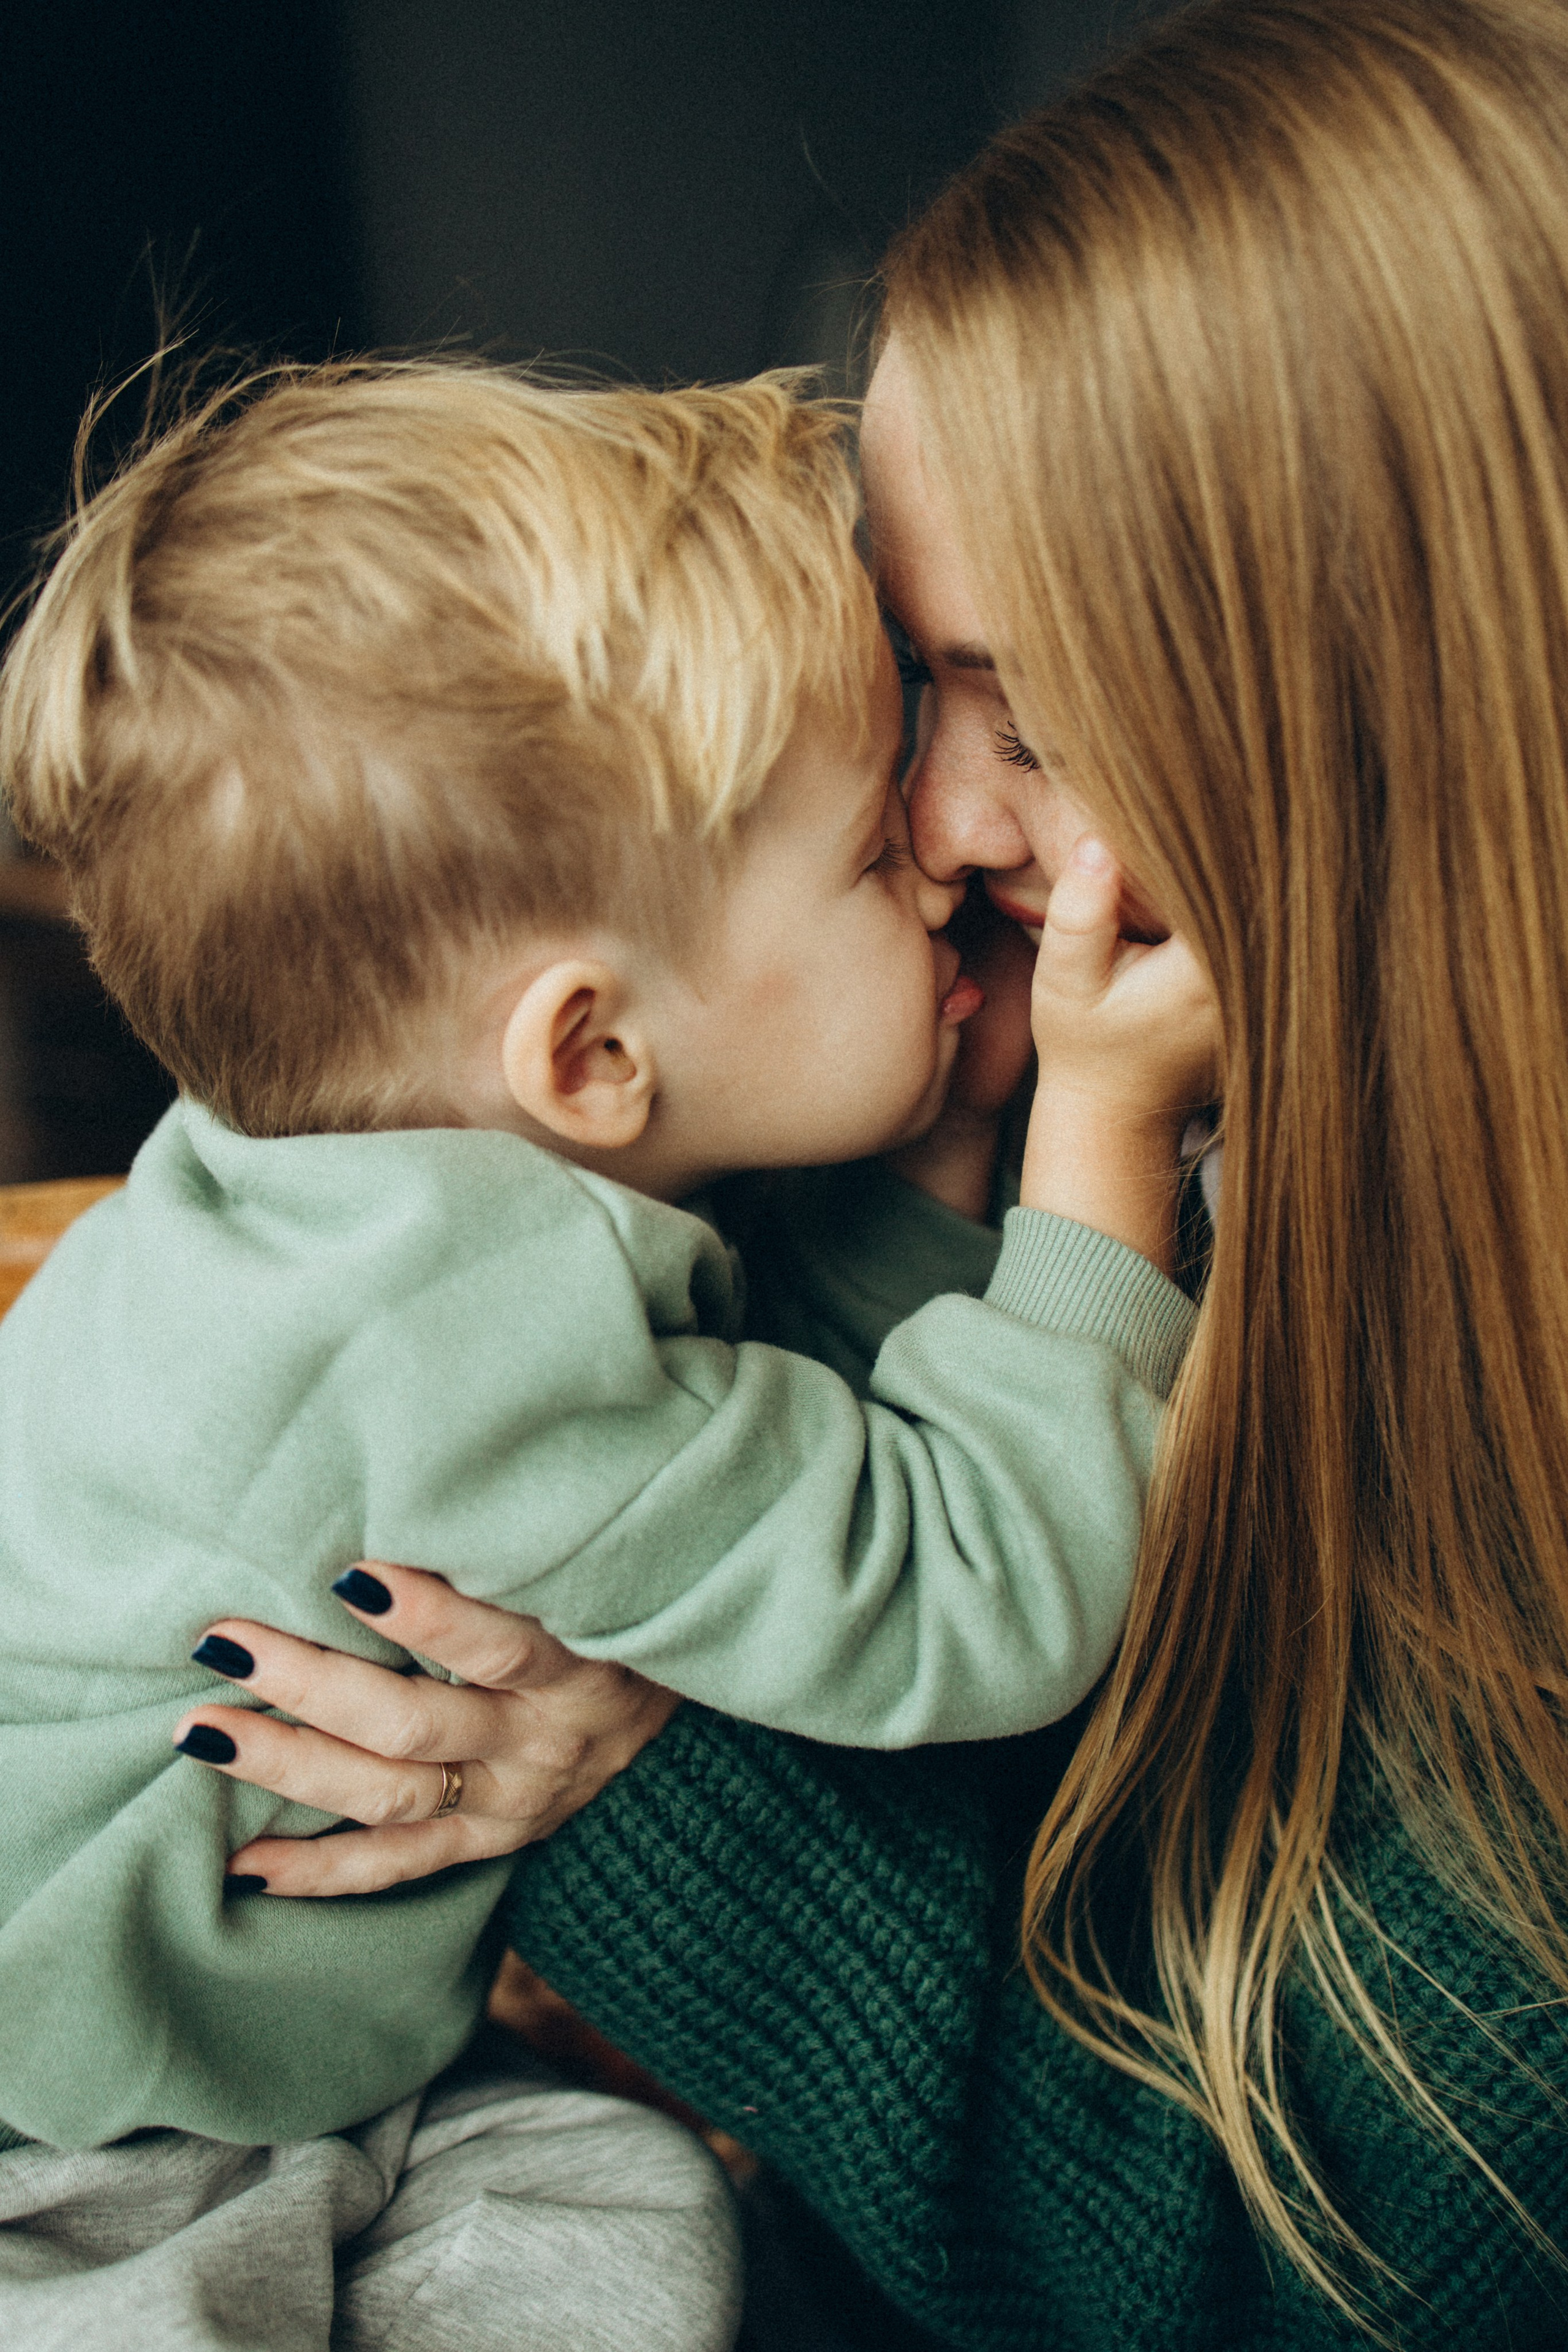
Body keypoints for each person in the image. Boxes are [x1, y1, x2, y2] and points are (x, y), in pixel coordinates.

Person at [192, 2, 1568, 2345]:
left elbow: (1311, 2265)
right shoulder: (1138, 1110)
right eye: (918, 688)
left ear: (1372, 729)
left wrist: (622, 1770)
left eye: (1024, 711)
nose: (933, 825)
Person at [0, 362, 1216, 2346]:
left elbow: (764, 1458)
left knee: (621, 2216)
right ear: (587, 1054)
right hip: (80, 2151)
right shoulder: (476, 1348)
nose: (936, 846)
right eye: (860, 849)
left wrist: (932, 1157)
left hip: (205, 2062)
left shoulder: (342, 1201)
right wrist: (1093, 1152)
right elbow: (975, 1597)